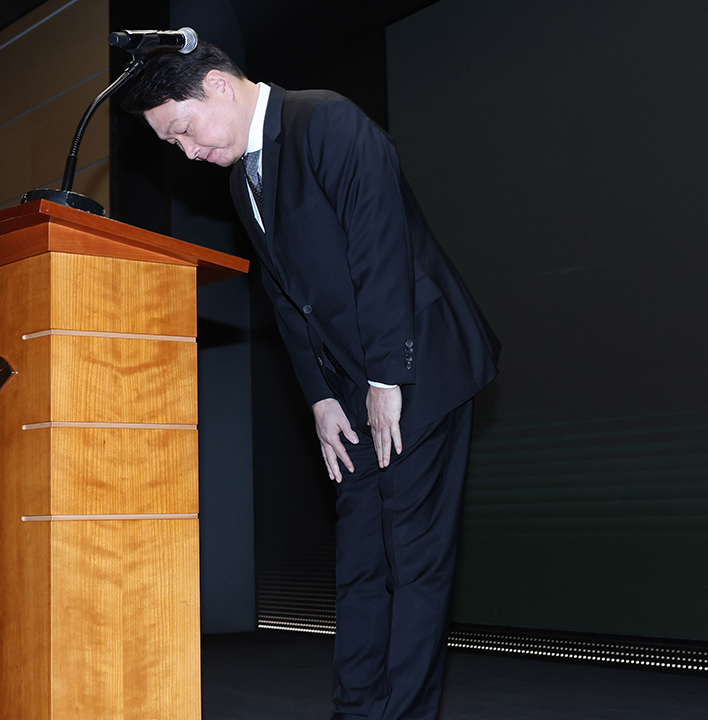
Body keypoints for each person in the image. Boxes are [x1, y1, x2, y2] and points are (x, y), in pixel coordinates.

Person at [120, 43, 500, 720]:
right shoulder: (244, 178)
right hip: (353, 384)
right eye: (171, 143)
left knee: (413, 560)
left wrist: (386, 378)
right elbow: (287, 296)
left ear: (219, 87)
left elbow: (380, 252)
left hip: (415, 366)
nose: (186, 152)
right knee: (360, 561)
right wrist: (321, 398)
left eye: (182, 130)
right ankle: (355, 709)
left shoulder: (325, 121)